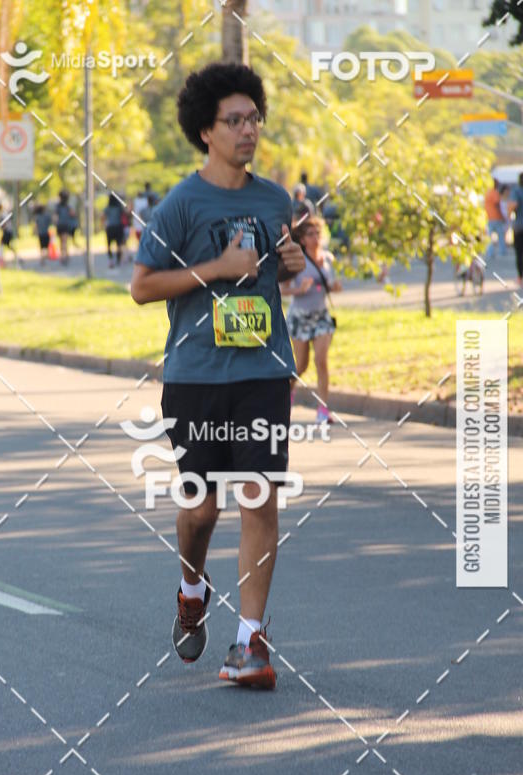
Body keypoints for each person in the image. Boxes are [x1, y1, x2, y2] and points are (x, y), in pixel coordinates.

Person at [130, 62, 305, 689]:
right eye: (235, 120)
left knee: (259, 495)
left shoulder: (275, 198)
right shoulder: (181, 204)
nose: (248, 130)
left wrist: (289, 264)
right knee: (200, 508)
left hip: (262, 368)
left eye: (254, 118)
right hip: (196, 375)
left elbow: (272, 277)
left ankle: (249, 643)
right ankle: (190, 585)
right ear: (206, 131)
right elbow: (143, 287)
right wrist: (215, 268)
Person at [281, 216, 341, 424]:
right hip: (300, 317)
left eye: (318, 233)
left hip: (321, 316)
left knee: (321, 361)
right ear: (303, 239)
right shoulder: (298, 261)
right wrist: (300, 289)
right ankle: (285, 397)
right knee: (300, 366)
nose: (316, 238)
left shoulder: (327, 259)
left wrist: (335, 286)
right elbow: (283, 288)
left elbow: (331, 283)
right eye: (310, 234)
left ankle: (322, 409)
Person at [485, 178, 506, 259]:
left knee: (489, 236)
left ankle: (490, 252)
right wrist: (501, 215)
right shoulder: (494, 193)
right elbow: (497, 205)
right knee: (500, 235)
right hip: (496, 217)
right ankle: (502, 250)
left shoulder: (487, 193)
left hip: (489, 217)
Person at [102, 193, 125, 268]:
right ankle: (118, 259)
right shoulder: (119, 208)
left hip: (110, 227)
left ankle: (111, 259)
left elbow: (103, 217)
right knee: (119, 244)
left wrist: (104, 224)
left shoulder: (107, 208)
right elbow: (125, 214)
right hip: (118, 227)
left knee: (109, 245)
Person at [509, 173, 523, 285]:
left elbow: (513, 205)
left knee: (519, 252)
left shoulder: (517, 191)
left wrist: (509, 214)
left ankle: (520, 277)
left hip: (519, 226)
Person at [55, 189, 75, 264]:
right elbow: (72, 214)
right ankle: (65, 255)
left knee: (62, 242)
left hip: (60, 225)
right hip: (66, 225)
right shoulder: (68, 206)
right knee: (65, 241)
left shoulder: (58, 206)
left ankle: (63, 255)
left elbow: (55, 217)